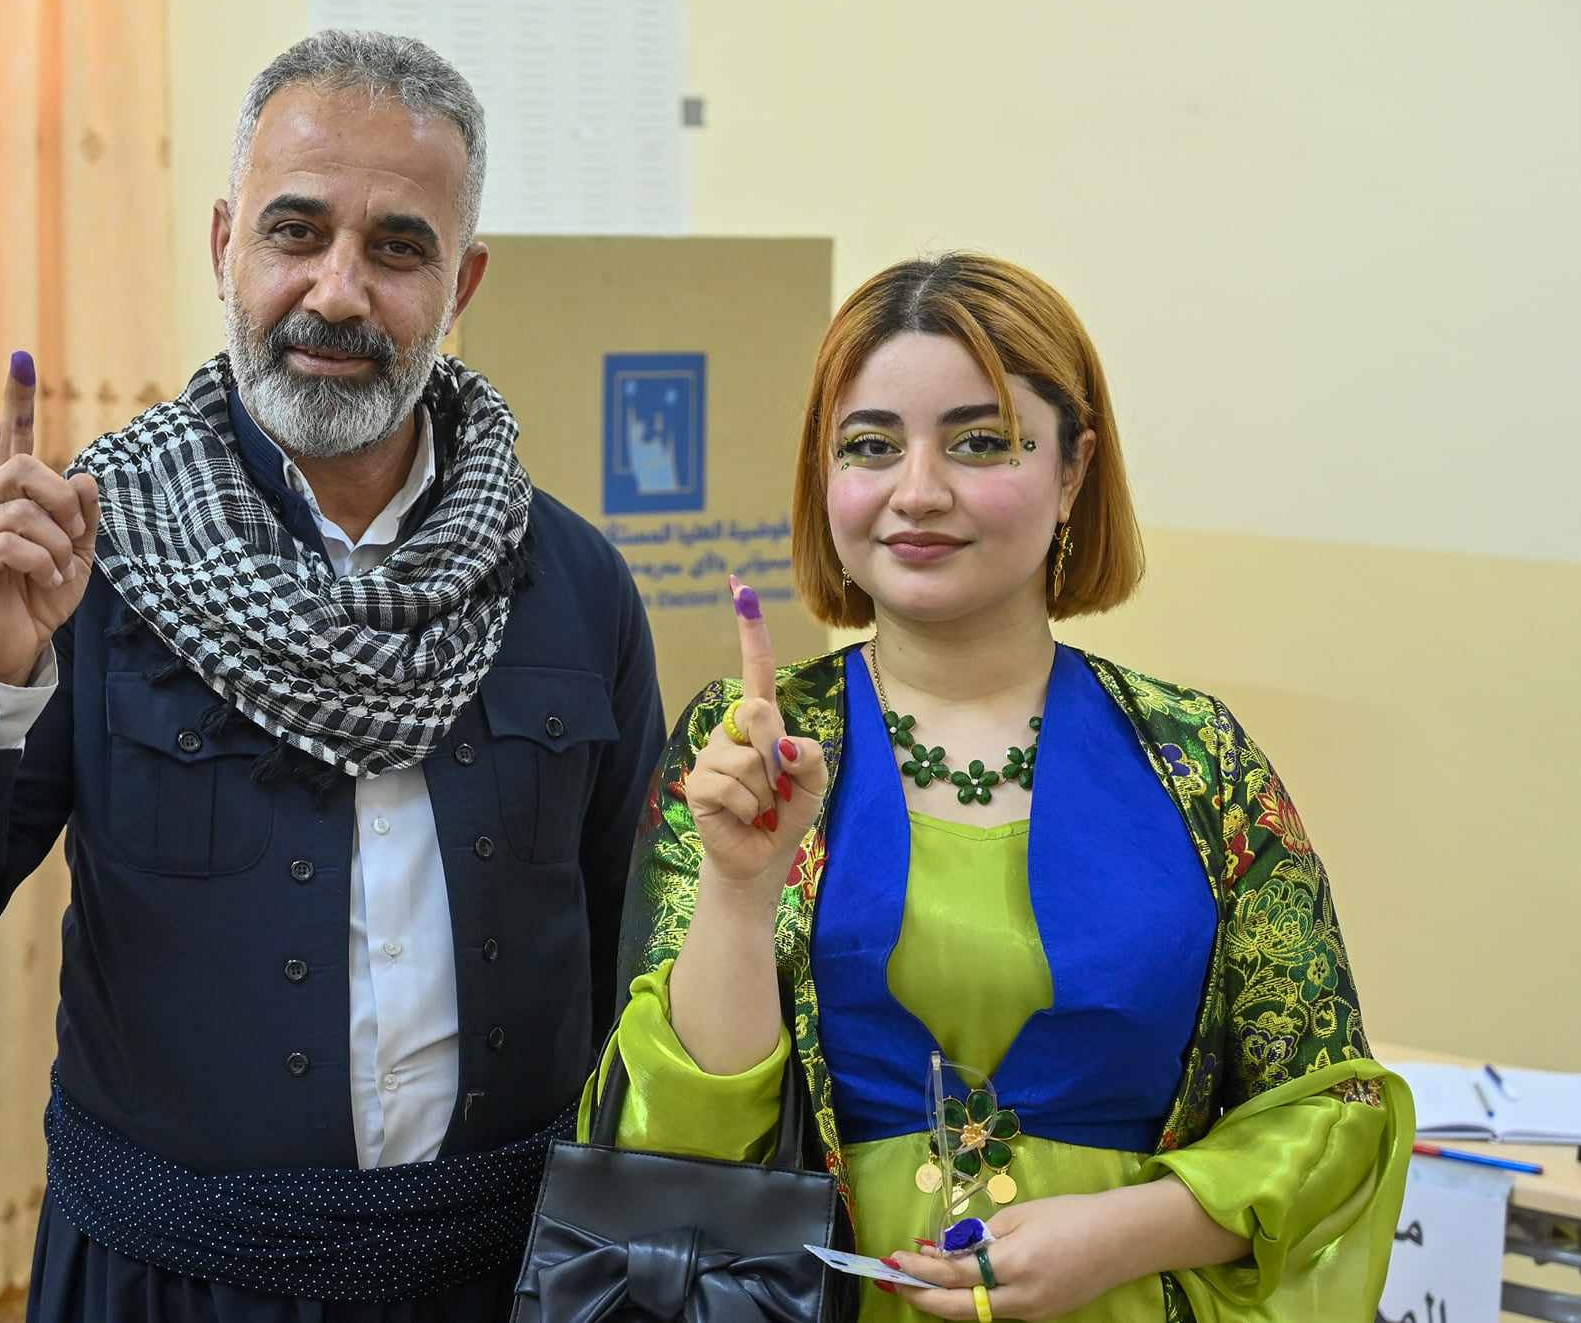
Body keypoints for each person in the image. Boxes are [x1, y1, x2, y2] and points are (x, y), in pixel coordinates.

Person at [0, 30, 664, 1322]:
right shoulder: (96, 558)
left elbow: (633, 970)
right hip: (168, 1279)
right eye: (295, 231)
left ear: (463, 282)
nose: (338, 291)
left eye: (398, 248)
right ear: (225, 246)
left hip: (498, 1277)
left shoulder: (572, 583)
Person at [581, 252, 1412, 1322]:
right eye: (870, 445)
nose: (917, 491)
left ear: (1072, 470)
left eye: (979, 442)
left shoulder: (1197, 762)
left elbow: (1335, 1111)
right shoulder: (749, 747)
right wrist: (742, 890)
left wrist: (1128, 1229)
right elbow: (667, 1149)